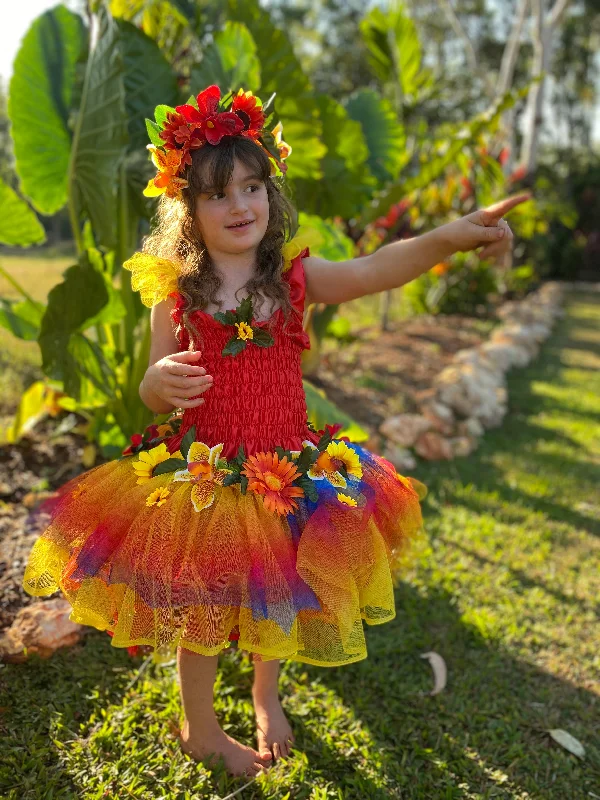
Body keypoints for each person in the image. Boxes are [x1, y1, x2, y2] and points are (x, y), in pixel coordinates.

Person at [22, 84, 527, 780]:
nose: (241, 206)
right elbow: (149, 388)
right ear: (188, 208)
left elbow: (376, 268)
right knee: (202, 613)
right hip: (206, 479)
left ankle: (266, 694)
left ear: (270, 193)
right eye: (219, 194)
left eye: (253, 187)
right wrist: (156, 385)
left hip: (286, 473)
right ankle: (199, 726)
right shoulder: (175, 297)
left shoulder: (294, 280)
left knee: (278, 596)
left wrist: (447, 236)